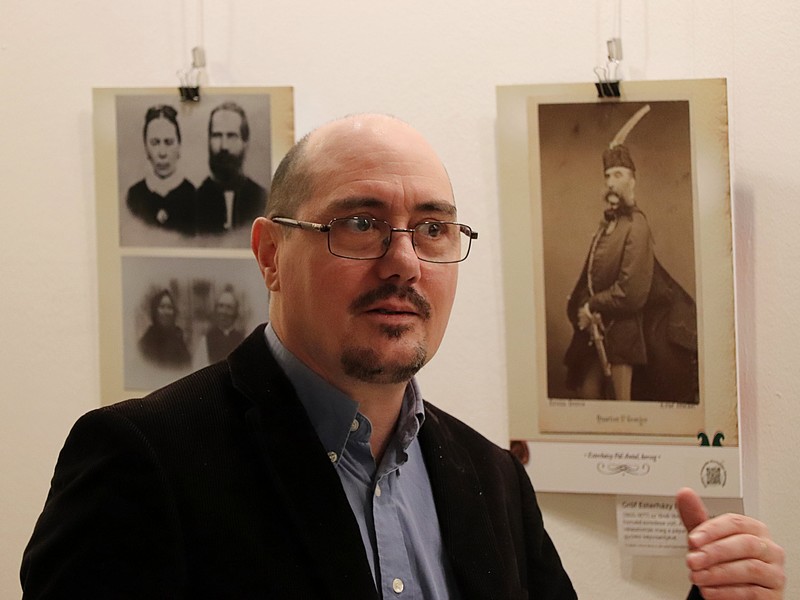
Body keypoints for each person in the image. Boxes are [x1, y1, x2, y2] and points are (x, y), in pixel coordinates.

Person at [21, 115, 784, 598]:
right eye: (360, 223)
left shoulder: (494, 479)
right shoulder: (142, 461)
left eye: (433, 229)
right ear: (271, 254)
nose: (405, 263)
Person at [564, 109, 699, 403]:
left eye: (618, 175)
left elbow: (632, 293)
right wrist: (584, 308)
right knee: (587, 400)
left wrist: (592, 306)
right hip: (596, 334)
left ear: (632, 181)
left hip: (624, 341)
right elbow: (590, 278)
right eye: (607, 176)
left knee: (621, 410)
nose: (611, 183)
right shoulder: (606, 228)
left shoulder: (637, 226)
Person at [195, 101, 268, 235]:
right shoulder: (193, 201)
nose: (224, 146)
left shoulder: (262, 199)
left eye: (231, 136)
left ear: (245, 142)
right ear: (208, 141)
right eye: (217, 136)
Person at [126, 104, 197, 235]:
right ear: (146, 148)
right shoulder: (134, 197)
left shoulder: (194, 196)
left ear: (179, 146)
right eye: (155, 143)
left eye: (169, 142)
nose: (162, 153)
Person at [192, 286, 245, 368]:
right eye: (221, 306)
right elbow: (197, 369)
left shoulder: (242, 341)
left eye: (229, 307)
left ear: (235, 312)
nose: (223, 311)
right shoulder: (206, 340)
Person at [137, 288, 191, 369]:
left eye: (170, 307)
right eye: (162, 307)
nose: (166, 312)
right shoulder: (146, 342)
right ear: (155, 311)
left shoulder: (178, 337)